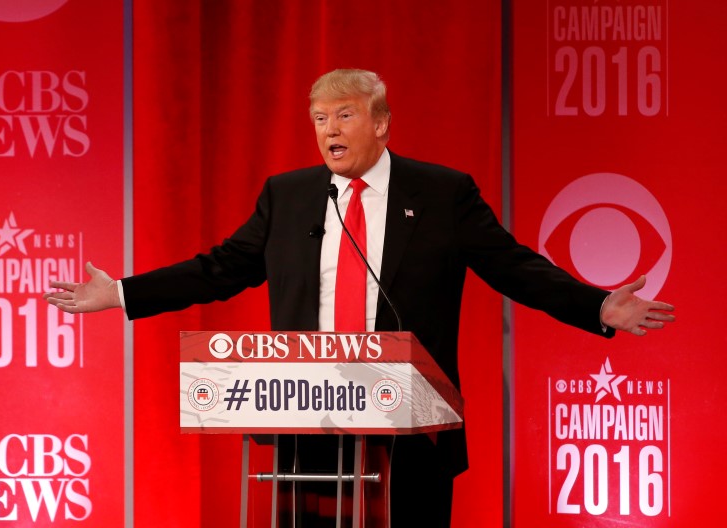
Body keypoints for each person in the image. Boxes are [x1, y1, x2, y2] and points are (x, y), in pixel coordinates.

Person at [44, 69, 675, 526]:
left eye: (344, 115)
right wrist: (124, 293)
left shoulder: (440, 193)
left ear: (380, 123)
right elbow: (223, 268)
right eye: (319, 118)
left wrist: (595, 305)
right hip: (309, 423)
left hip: (412, 431)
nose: (328, 130)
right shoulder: (288, 195)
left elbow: (512, 266)